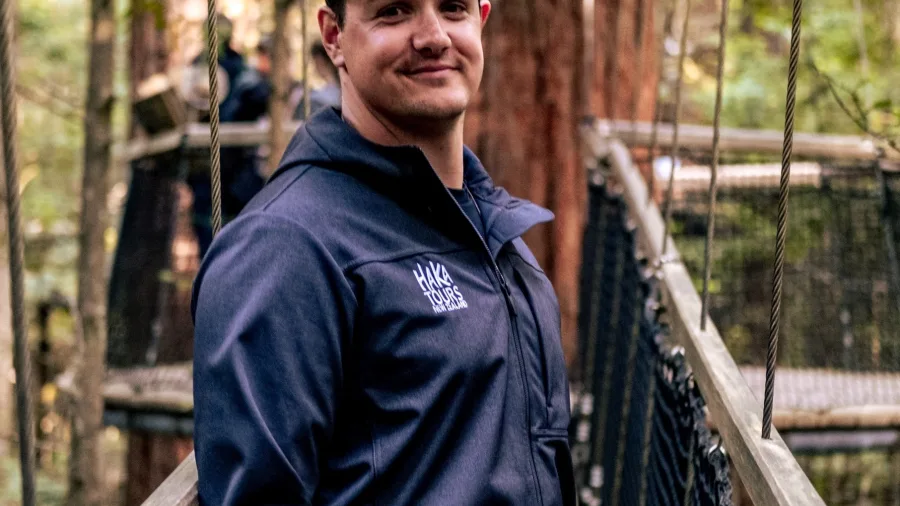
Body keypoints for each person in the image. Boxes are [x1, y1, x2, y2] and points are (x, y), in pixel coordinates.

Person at [192, 0, 575, 504]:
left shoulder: (489, 227)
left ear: (481, 19)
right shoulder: (284, 249)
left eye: (453, 9)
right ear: (334, 37)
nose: (433, 35)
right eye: (395, 11)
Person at [293, 41, 342, 119]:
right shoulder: (342, 88)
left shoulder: (318, 98)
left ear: (320, 61)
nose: (315, 67)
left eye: (316, 62)